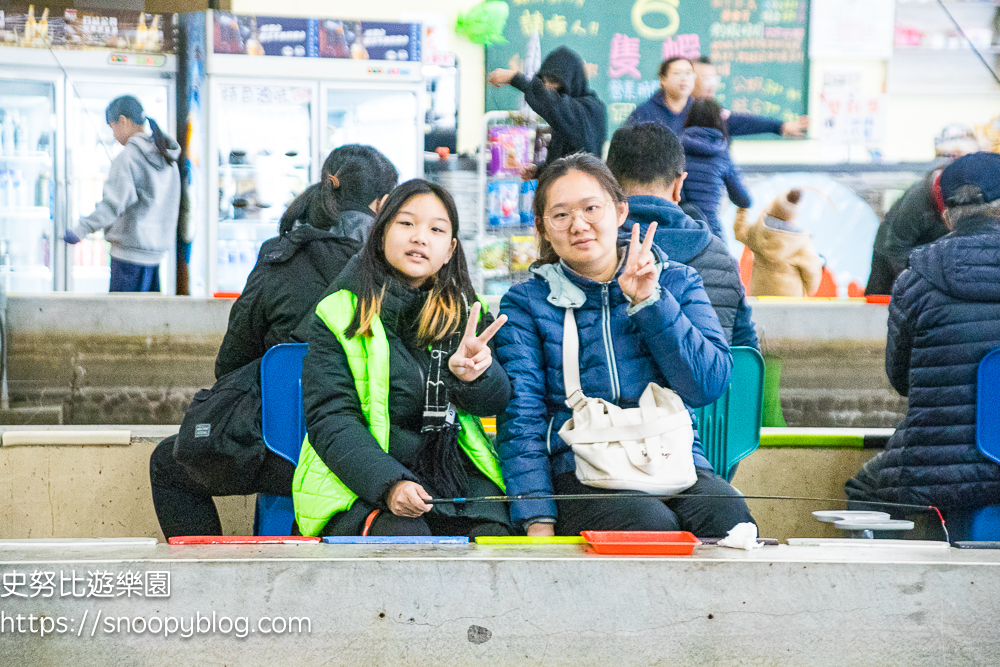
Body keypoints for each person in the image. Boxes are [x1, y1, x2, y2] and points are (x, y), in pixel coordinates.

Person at [494, 153, 755, 537]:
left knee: (728, 518)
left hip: (674, 460)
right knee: (649, 525)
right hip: (579, 468)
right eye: (561, 215)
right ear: (543, 228)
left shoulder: (678, 281)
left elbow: (708, 384)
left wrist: (651, 303)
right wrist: (536, 515)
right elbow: (521, 418)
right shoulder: (526, 303)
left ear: (619, 212)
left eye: (590, 208)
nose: (578, 224)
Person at [149, 145, 398, 539]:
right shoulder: (397, 269)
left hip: (286, 458)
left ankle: (208, 587)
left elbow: (231, 364)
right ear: (384, 204)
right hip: (378, 462)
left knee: (167, 464)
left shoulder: (279, 258)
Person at [292, 179, 513, 538]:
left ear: (449, 249)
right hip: (359, 480)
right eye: (406, 223)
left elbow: (496, 401)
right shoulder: (340, 313)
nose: (420, 237)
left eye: (436, 229)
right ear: (381, 235)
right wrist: (390, 484)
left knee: (495, 538)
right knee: (405, 538)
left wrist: (475, 376)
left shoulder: (467, 314)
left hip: (450, 474)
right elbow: (331, 420)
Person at [846, 152, 1000, 538]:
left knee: (864, 490)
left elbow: (902, 381)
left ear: (946, 216)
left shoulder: (916, 280)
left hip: (939, 470)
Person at [606, 121, 758, 349]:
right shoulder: (718, 254)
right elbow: (746, 354)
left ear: (608, 183)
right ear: (679, 185)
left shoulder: (594, 250)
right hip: (709, 383)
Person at [64, 95, 180, 292]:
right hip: (155, 258)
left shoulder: (128, 158)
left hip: (128, 259)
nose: (114, 135)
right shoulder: (166, 157)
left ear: (123, 121)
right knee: (147, 320)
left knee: (123, 320)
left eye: (112, 127)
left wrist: (80, 229)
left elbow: (112, 204)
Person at [487, 46, 607, 174]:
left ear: (573, 79)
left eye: (555, 81)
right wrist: (540, 171)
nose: (549, 87)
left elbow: (553, 103)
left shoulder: (590, 109)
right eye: (544, 81)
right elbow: (565, 159)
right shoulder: (564, 114)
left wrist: (514, 78)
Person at [680, 99, 752, 239]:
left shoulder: (676, 146)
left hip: (679, 229)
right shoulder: (722, 153)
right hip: (710, 233)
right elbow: (744, 199)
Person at [691, 57, 809, 139]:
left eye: (714, 78)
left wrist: (780, 126)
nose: (712, 84)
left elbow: (742, 122)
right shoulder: (681, 110)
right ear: (690, 79)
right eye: (706, 78)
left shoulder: (716, 112)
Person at [733, 190, 823, 297]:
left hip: (760, 298)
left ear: (774, 208)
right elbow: (812, 276)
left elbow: (739, 231)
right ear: (794, 215)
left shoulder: (758, 231)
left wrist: (742, 209)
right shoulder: (801, 243)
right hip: (790, 302)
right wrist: (807, 290)